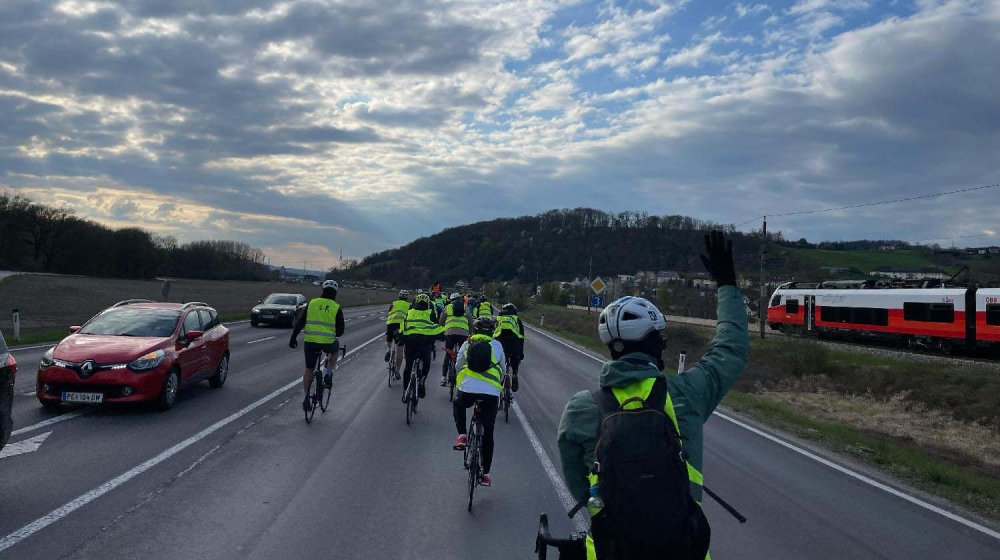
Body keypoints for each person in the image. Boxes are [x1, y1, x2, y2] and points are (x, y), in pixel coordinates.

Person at [556, 231, 748, 559]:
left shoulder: (581, 407)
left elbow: (575, 478)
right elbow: (730, 347)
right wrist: (727, 284)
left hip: (610, 551)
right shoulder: (687, 393)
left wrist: (602, 513)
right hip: (682, 549)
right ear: (654, 344)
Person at [452, 316, 505, 487]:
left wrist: (461, 380)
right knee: (488, 432)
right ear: (492, 332)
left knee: (458, 404)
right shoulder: (497, 346)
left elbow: (458, 365)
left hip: (467, 389)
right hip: (490, 393)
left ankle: (462, 436)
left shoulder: (467, 343)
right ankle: (486, 474)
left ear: (474, 330)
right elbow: (503, 371)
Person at [289, 280, 347, 412]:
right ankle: (328, 373)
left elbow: (300, 322)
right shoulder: (336, 307)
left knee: (309, 368)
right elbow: (340, 332)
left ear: (322, 290)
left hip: (310, 341)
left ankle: (306, 398)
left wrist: (293, 338)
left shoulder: (312, 303)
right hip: (328, 342)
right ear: (335, 293)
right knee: (335, 350)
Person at [400, 293, 444, 399]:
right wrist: (442, 336)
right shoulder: (431, 312)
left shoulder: (410, 312)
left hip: (411, 342)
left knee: (408, 367)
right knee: (426, 364)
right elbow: (435, 327)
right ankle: (422, 381)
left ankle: (405, 391)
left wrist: (401, 338)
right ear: (428, 304)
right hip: (424, 343)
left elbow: (404, 325)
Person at [438, 292, 470, 386]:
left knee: (448, 354)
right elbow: (471, 321)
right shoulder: (465, 307)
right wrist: (470, 333)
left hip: (450, 334)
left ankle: (443, 378)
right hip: (463, 334)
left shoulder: (447, 307)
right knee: (463, 355)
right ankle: (463, 379)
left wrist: (442, 329)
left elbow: (441, 320)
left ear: (451, 300)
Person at [493, 303, 525, 392]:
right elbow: (521, 338)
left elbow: (492, 333)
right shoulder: (517, 320)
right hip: (513, 345)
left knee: (498, 362)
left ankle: (498, 379)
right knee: (515, 359)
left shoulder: (498, 319)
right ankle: (514, 374)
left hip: (500, 344)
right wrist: (520, 353)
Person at [384, 290, 410, 377]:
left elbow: (389, 313)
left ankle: (388, 350)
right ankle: (397, 371)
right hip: (401, 326)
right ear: (407, 297)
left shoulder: (393, 303)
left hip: (390, 323)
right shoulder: (409, 305)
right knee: (400, 349)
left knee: (388, 340)